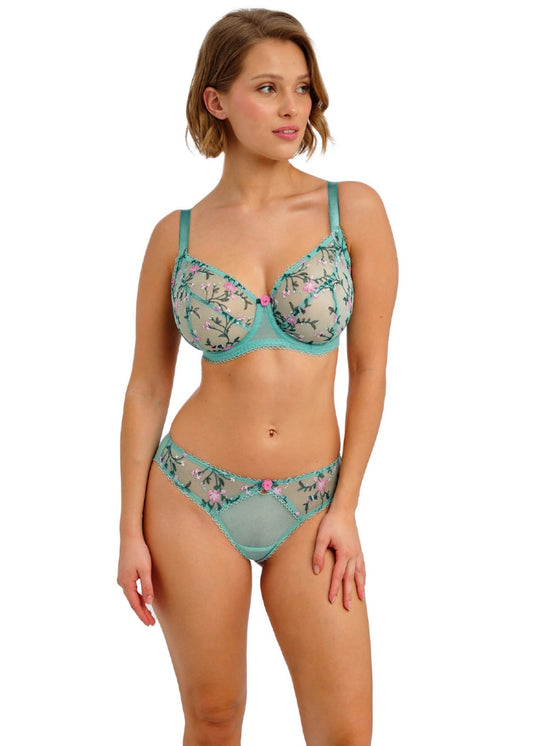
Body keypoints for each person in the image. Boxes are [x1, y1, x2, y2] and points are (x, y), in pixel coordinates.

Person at [117, 8, 398, 745]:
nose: (291, 108)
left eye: (302, 88)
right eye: (267, 88)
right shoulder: (176, 234)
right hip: (190, 495)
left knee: (345, 734)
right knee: (213, 718)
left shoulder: (351, 209)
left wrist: (345, 506)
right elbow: (147, 387)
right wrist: (128, 529)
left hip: (312, 501)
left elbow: (369, 368)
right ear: (216, 100)